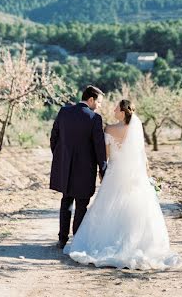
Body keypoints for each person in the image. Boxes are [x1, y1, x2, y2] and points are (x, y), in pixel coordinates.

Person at [63, 100, 181, 270]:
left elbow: (107, 155)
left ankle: (109, 242)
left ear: (123, 112)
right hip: (134, 177)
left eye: (116, 107)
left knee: (109, 208)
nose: (113, 109)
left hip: (114, 174)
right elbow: (142, 156)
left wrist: (101, 171)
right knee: (134, 209)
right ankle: (134, 243)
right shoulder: (135, 130)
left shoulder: (110, 129)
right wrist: (147, 177)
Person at [49, 85, 107, 249]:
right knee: (82, 205)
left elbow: (54, 138)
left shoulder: (64, 112)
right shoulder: (94, 119)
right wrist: (103, 170)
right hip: (85, 170)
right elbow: (99, 149)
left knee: (66, 201)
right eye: (99, 102)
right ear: (91, 100)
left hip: (65, 168)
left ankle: (62, 239)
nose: (99, 106)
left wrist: (61, 158)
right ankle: (77, 241)